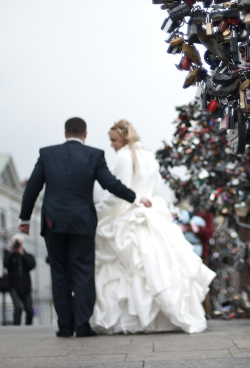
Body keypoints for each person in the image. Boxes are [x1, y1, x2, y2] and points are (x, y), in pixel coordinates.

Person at [18, 117, 152, 338]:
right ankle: (82, 326)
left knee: (59, 274)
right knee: (83, 273)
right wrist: (136, 198)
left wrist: (24, 219)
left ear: (65, 133)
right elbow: (110, 183)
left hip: (54, 223)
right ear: (85, 134)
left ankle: (64, 327)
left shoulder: (46, 154)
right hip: (82, 223)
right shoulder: (94, 155)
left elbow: (32, 187)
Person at [90, 119, 216, 334]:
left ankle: (134, 319)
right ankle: (162, 318)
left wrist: (95, 214)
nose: (111, 144)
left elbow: (119, 193)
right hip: (150, 212)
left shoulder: (124, 156)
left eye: (113, 140)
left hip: (129, 214)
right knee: (160, 265)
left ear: (123, 139)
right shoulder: (148, 156)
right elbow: (155, 186)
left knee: (130, 269)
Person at [3, 234, 36, 325]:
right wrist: (12, 251)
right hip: (13, 285)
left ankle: (28, 327)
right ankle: (16, 327)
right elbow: (6, 264)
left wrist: (23, 254)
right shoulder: (10, 255)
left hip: (26, 286)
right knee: (17, 308)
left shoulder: (27, 255)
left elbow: (31, 265)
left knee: (29, 309)